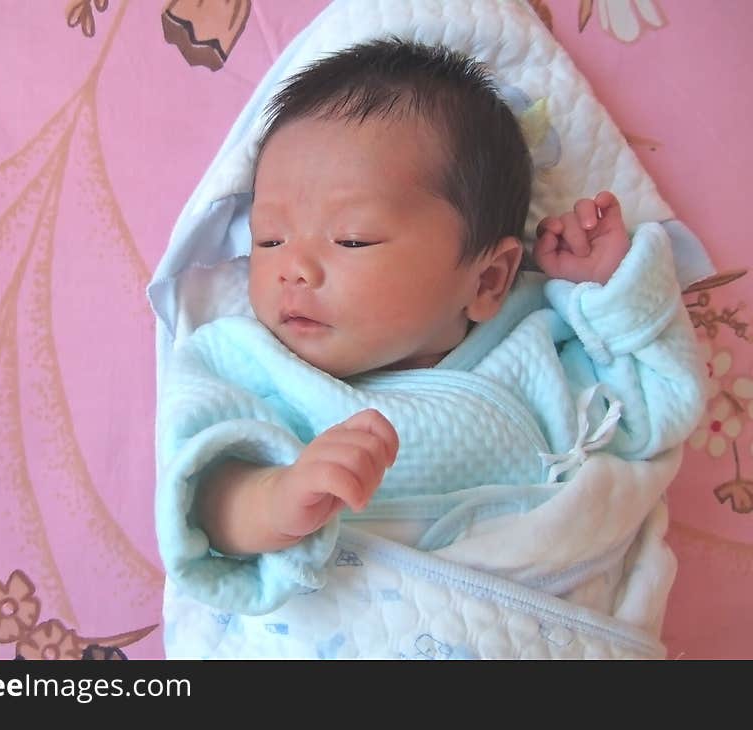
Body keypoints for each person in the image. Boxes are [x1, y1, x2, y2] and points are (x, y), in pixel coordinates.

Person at [155, 39, 704, 621]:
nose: (293, 267)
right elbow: (200, 499)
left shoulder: (537, 348)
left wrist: (610, 293)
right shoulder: (246, 364)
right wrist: (275, 498)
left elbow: (656, 409)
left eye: (352, 240)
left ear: (488, 280)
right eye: (269, 239)